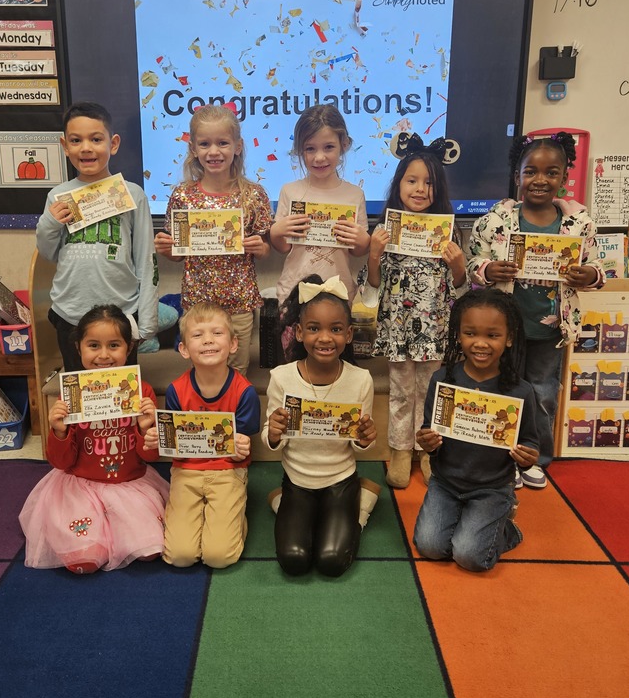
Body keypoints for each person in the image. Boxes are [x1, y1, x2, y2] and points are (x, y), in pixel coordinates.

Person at [467, 131, 604, 489]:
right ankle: (499, 456)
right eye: (531, 172)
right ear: (518, 177)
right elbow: (472, 262)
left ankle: (535, 458)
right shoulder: (495, 220)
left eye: (551, 172)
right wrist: (486, 271)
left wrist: (587, 274)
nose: (540, 180)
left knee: (542, 393)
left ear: (563, 178)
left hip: (549, 331)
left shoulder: (579, 224)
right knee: (502, 392)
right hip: (502, 330)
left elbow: (599, 270)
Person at [19, 304, 169, 574]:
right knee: (84, 560)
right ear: (78, 348)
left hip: (129, 483)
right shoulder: (71, 394)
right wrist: (60, 431)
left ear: (129, 348)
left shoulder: (141, 391)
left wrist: (145, 430)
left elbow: (151, 457)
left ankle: (123, 529)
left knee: (150, 551)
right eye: (93, 345)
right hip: (80, 487)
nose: (103, 355)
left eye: (114, 345)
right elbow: (61, 462)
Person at [358, 134, 468, 489]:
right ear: (398, 184)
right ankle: (401, 450)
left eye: (429, 183)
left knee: (434, 390)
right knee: (402, 392)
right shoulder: (385, 231)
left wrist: (459, 265)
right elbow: (371, 288)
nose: (420, 189)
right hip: (399, 331)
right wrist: (374, 254)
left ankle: (429, 451)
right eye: (412, 180)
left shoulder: (448, 234)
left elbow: (462, 290)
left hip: (436, 331)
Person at [414, 287, 538, 572]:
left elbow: (530, 440)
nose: (480, 343)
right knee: (431, 547)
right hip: (445, 482)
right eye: (471, 333)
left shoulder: (520, 391)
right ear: (458, 335)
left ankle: (507, 530)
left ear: (509, 339)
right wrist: (427, 441)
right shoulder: (443, 381)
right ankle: (471, 523)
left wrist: (528, 457)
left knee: (469, 557)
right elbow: (429, 430)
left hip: (491, 488)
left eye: (492, 335)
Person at [262, 275, 377, 578]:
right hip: (297, 481)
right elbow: (271, 438)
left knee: (331, 562)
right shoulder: (281, 378)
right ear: (299, 333)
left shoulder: (361, 380)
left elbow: (359, 442)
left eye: (336, 329)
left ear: (349, 335)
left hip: (340, 480)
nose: (325, 338)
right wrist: (273, 433)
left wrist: (366, 439)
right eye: (314, 329)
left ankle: (361, 506)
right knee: (294, 560)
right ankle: (283, 501)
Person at [36, 101, 158, 372]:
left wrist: (147, 319)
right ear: (65, 146)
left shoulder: (133, 194)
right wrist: (50, 222)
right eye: (76, 140)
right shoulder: (57, 196)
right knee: (81, 398)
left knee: (120, 396)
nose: (86, 148)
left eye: (96, 139)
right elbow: (48, 253)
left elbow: (146, 259)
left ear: (113, 144)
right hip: (71, 312)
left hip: (120, 315)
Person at [154, 103, 271, 375]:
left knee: (237, 373)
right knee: (203, 371)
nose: (214, 152)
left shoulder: (253, 195)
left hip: (239, 303)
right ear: (193, 149)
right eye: (205, 144)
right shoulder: (182, 196)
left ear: (238, 146)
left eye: (223, 143)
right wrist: (166, 249)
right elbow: (178, 253)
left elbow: (265, 247)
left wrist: (259, 247)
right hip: (198, 303)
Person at [145, 302, 261, 569]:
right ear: (184, 349)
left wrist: (241, 445)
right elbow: (174, 441)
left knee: (219, 557)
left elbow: (243, 443)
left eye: (217, 333)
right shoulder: (176, 390)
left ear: (233, 344)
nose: (208, 340)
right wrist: (158, 439)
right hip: (186, 471)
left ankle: (235, 514)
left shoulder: (245, 392)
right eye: (198, 335)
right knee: (180, 557)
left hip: (227, 471)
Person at [270, 105, 370, 310]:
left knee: (331, 343)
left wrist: (364, 241)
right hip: (294, 292)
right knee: (294, 342)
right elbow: (283, 247)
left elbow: (357, 251)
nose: (319, 157)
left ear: (344, 144)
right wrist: (276, 232)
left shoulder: (354, 194)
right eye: (310, 148)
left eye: (328, 147)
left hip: (338, 292)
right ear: (299, 149)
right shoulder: (290, 192)